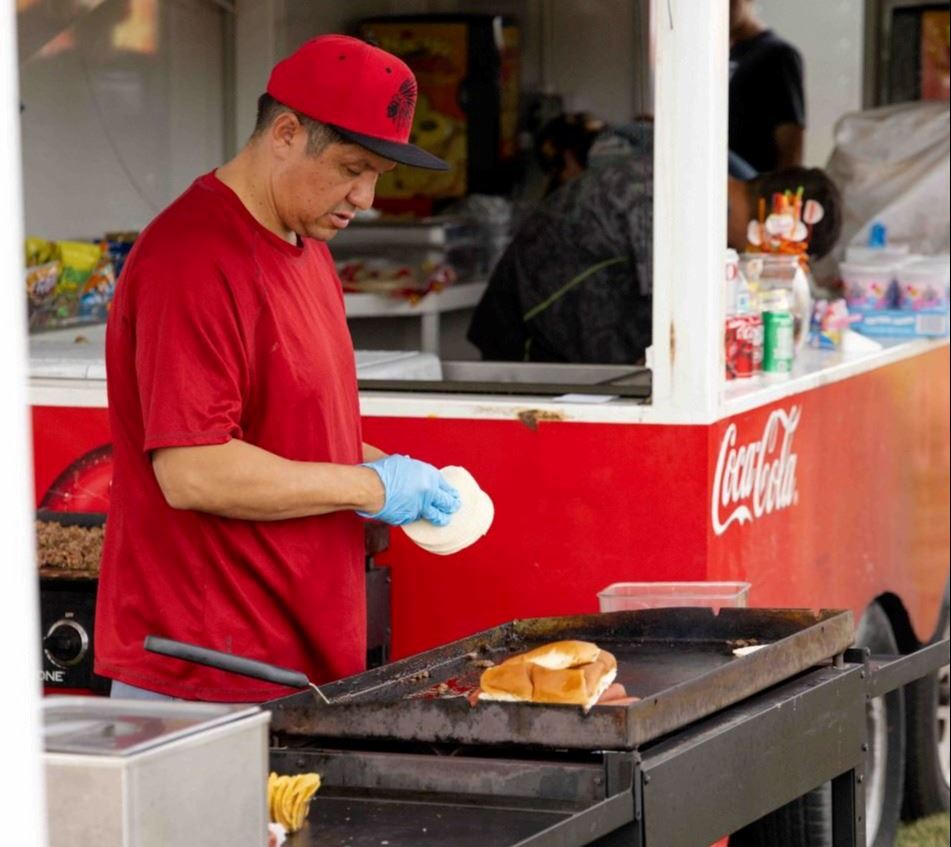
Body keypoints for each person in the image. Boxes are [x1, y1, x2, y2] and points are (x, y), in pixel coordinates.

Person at [95, 35, 462, 702]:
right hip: (205, 668)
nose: (367, 195)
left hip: (293, 660)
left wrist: (394, 472)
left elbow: (292, 431)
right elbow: (193, 470)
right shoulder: (191, 259)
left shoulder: (306, 242)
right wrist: (369, 487)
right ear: (286, 132)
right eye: (353, 167)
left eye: (377, 172)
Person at [467, 120, 841, 364]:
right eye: (785, 254)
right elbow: (678, 324)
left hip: (571, 358)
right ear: (777, 225)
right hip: (526, 349)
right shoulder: (676, 200)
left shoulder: (702, 189)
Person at [729, 0, 805, 172]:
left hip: (754, 182)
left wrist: (780, 190)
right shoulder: (726, 54)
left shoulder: (778, 54)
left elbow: (791, 139)